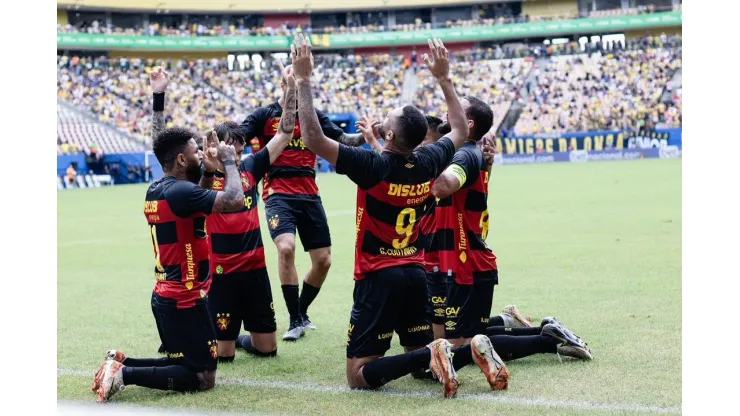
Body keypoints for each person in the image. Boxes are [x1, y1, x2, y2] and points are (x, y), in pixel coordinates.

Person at [292, 34, 507, 397]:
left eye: (388, 117)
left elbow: (312, 138)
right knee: (422, 366)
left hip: (378, 276)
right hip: (415, 273)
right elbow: (458, 128)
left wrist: (303, 80)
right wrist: (443, 78)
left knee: (358, 375)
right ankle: (445, 353)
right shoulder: (428, 160)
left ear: (389, 133)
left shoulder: (371, 164)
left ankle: (435, 351)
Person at [91, 66, 245, 402]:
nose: (200, 153)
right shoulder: (180, 193)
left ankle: (120, 363)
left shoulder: (164, 186)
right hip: (181, 298)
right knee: (202, 376)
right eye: (194, 151)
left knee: (184, 361)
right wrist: (229, 162)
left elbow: (162, 146)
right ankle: (125, 374)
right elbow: (234, 199)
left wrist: (159, 97)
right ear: (179, 160)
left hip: (173, 294)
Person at [431, 97, 592, 361]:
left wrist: (428, 161)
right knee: (464, 336)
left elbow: (441, 187)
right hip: (465, 258)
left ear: (467, 124)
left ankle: (546, 339)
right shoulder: (470, 154)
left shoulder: (466, 154)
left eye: (453, 111)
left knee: (464, 345)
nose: (446, 114)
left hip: (467, 261)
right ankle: (526, 327)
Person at [240, 63, 366, 341]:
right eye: (292, 80)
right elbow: (238, 134)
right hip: (277, 193)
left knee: (323, 261)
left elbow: (344, 139)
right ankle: (295, 319)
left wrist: (368, 135)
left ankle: (301, 311)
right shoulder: (264, 115)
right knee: (286, 248)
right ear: (284, 83)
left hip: (309, 193)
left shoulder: (313, 115)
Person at [202, 63, 299, 361]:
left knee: (267, 350)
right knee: (223, 356)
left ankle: (245, 337)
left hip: (255, 270)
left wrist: (291, 89)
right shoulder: (204, 178)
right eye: (231, 148)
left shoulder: (249, 167)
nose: (237, 154)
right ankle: (226, 337)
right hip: (221, 274)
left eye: (241, 148)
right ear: (215, 148)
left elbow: (283, 134)